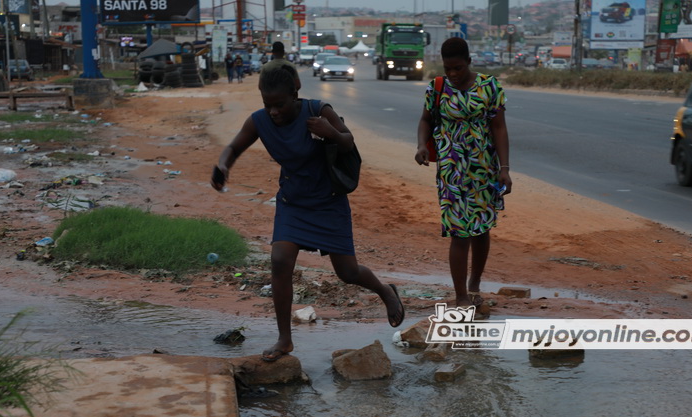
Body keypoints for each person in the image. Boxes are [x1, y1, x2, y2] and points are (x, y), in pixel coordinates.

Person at [211, 65, 405, 361]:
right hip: (293, 203)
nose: (274, 111)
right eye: (268, 104)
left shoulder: (318, 110)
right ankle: (284, 340)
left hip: (329, 202)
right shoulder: (259, 121)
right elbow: (233, 147)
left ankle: (385, 291)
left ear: (295, 93)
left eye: (280, 104)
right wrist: (223, 165)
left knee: (348, 273)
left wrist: (330, 133)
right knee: (279, 261)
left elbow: (348, 141)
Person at [414, 37, 511, 309]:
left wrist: (504, 169)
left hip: (484, 169)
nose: (453, 74)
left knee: (481, 229)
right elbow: (425, 120)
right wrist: (422, 145)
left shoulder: (489, 86)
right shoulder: (437, 87)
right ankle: (460, 296)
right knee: (459, 232)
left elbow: (500, 128)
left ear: (469, 62)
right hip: (451, 170)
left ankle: (475, 285)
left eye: (458, 68)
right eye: (448, 69)